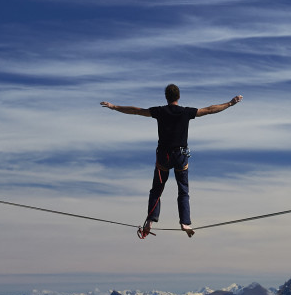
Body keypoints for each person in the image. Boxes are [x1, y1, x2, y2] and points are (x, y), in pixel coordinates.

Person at [100, 84, 242, 238]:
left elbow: (136, 111)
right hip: (180, 156)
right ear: (178, 97)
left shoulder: (160, 111)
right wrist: (230, 103)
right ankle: (185, 223)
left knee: (157, 190)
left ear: (166, 97)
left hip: (164, 156)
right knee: (183, 191)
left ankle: (150, 220)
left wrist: (114, 106)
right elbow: (209, 110)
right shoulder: (185, 112)